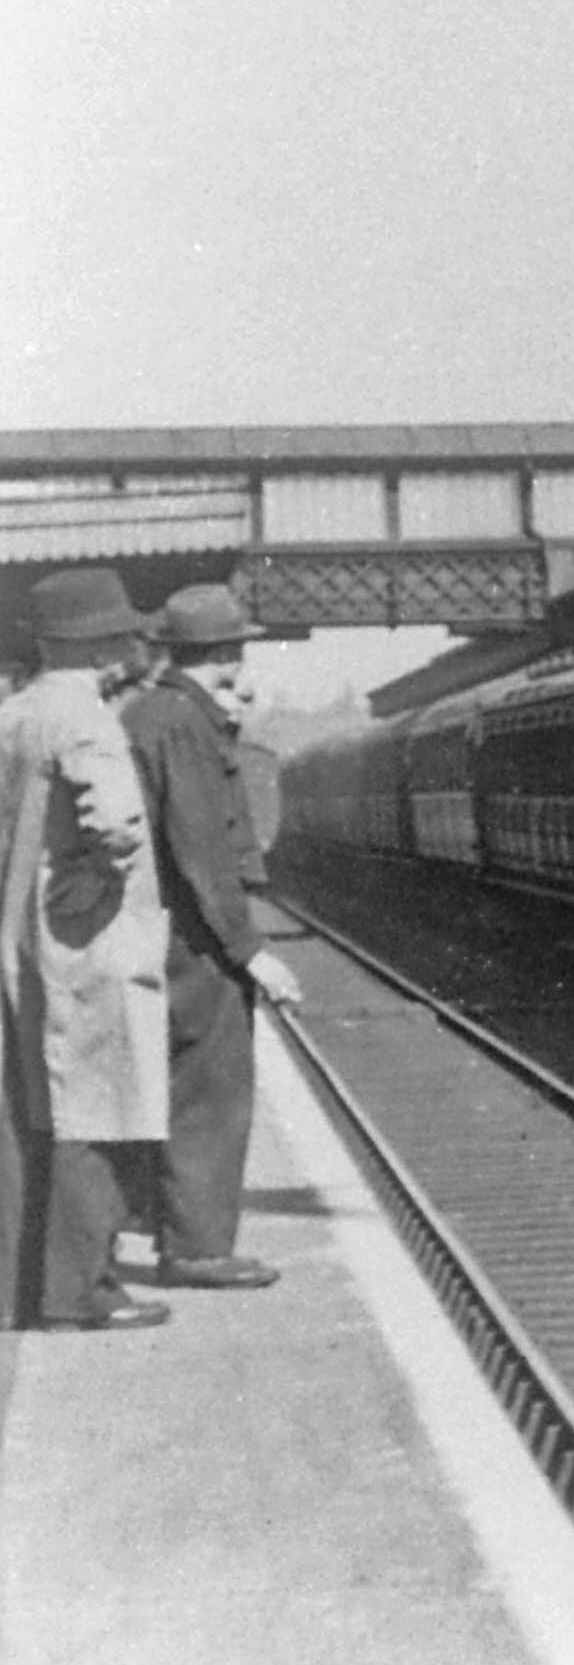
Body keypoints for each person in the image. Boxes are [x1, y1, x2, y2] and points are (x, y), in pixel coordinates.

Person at [0, 569, 175, 1330]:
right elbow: (116, 824)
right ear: (100, 642)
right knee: (95, 1110)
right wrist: (93, 878)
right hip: (90, 940)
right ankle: (84, 1291)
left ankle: (28, 1287)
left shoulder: (15, 713)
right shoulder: (88, 719)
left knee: (38, 1111)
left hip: (25, 937)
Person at [122, 583, 301, 1289]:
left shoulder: (156, 713)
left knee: (180, 1087)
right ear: (225, 654)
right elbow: (201, 847)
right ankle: (198, 1248)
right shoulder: (183, 724)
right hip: (193, 945)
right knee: (210, 1090)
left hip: (166, 932)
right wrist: (250, 950)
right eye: (236, 651)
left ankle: (177, 1235)